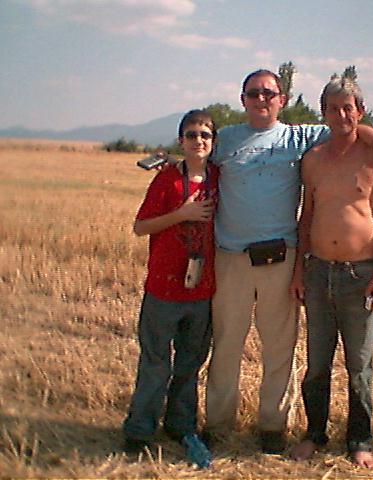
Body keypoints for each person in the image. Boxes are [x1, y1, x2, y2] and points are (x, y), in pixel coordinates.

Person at [203, 69, 373, 454]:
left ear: (284, 99)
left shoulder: (300, 137)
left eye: (270, 93)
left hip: (284, 258)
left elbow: (351, 126)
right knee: (228, 344)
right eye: (253, 93)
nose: (262, 99)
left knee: (285, 348)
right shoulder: (224, 140)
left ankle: (275, 428)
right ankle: (218, 423)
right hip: (233, 258)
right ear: (242, 98)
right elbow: (193, 157)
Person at [289, 77, 373, 468]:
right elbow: (306, 219)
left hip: (361, 275)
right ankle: (314, 434)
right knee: (317, 363)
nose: (341, 115)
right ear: (323, 113)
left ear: (360, 111)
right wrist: (300, 272)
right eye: (333, 108)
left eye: (348, 108)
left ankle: (360, 440)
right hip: (318, 273)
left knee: (359, 366)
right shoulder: (313, 159)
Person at [123, 109, 218, 469]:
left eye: (205, 135)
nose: (199, 141)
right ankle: (139, 429)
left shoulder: (219, 178)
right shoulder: (166, 180)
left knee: (190, 365)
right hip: (163, 290)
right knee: (155, 364)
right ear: (181, 139)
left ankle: (180, 425)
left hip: (202, 291)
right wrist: (182, 213)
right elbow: (140, 227)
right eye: (192, 134)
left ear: (213, 142)